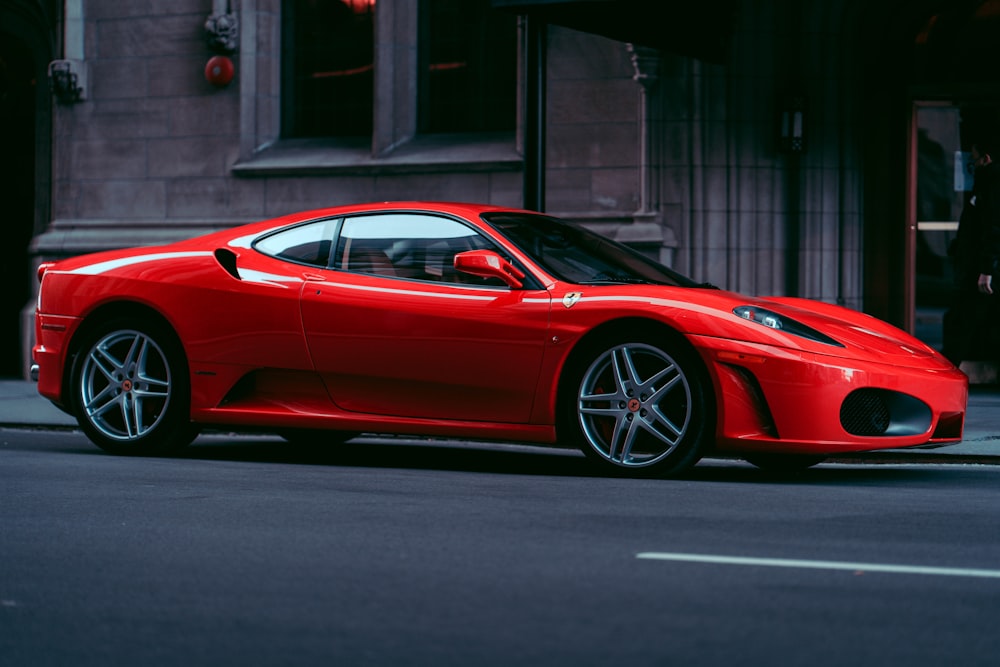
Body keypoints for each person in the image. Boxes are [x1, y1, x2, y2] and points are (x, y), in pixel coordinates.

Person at [942, 139, 1000, 369]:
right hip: (981, 267)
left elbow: (994, 228)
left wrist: (987, 269)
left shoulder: (991, 183)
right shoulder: (985, 182)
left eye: (974, 159)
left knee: (962, 322)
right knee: (965, 321)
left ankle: (945, 373)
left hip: (982, 270)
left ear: (986, 159)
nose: (972, 165)